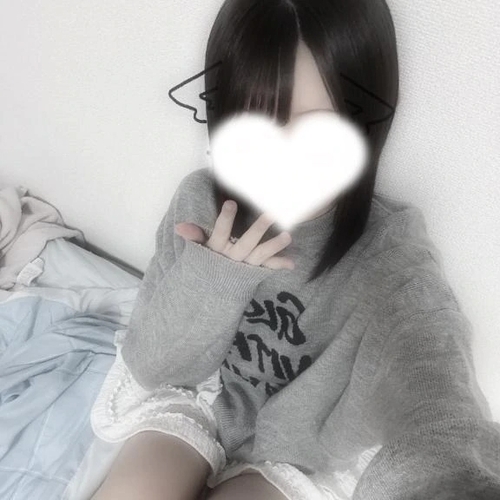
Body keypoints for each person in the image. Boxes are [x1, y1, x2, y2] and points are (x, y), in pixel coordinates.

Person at [90, 1, 500, 499]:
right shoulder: (200, 204)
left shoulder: (390, 262)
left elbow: (438, 403)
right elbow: (154, 367)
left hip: (301, 454)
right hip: (198, 398)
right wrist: (214, 277)